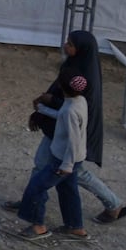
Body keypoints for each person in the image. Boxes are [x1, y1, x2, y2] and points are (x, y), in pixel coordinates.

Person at [5, 30, 126, 225]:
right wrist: (42, 109)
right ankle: (30, 202)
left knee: (72, 171)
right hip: (58, 126)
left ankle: (113, 205)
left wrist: (49, 101)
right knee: (42, 164)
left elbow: (74, 106)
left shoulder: (84, 76)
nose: (65, 45)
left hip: (70, 132)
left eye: (70, 44)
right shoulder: (74, 65)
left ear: (81, 49)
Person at [15, 74, 90, 241]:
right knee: (68, 191)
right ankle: (75, 226)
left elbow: (73, 140)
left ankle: (38, 226)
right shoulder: (79, 102)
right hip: (76, 158)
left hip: (62, 160)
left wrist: (66, 165)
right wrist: (42, 110)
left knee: (36, 187)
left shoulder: (70, 109)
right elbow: (63, 116)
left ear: (63, 88)